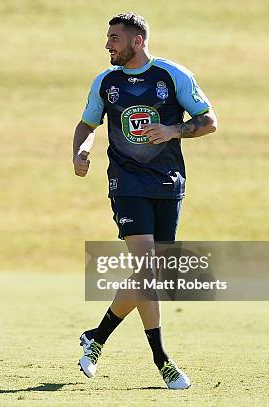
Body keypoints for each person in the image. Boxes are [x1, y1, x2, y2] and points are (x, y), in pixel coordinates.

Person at [72, 12, 218, 390]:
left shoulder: (172, 75)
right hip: (127, 184)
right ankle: (162, 360)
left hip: (169, 184)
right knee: (147, 270)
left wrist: (173, 129)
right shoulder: (105, 82)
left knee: (149, 274)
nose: (108, 45)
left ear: (137, 41)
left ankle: (96, 337)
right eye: (108, 38)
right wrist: (81, 151)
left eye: (115, 38)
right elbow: (87, 124)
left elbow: (209, 120)